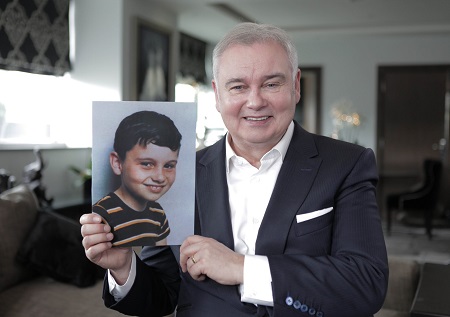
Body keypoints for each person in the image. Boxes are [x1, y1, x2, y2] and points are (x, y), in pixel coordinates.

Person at [81, 22, 388, 317]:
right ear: (217, 94)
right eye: (238, 86)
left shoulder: (348, 163)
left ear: (295, 86)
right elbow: (164, 294)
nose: (255, 101)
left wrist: (242, 268)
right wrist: (122, 267)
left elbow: (366, 284)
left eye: (271, 83)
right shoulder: (178, 175)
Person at [92, 110, 182, 247]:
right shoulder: (101, 214)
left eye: (169, 166)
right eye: (147, 164)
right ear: (117, 163)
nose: (160, 177)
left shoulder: (158, 214)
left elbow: (161, 262)